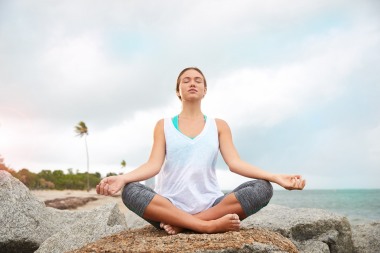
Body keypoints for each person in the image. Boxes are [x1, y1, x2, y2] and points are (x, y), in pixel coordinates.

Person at [96, 67, 306, 235]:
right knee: (131, 190)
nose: (192, 83)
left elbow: (235, 163)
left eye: (198, 80)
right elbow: (153, 165)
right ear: (178, 91)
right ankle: (206, 226)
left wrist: (275, 177)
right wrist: (123, 179)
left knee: (263, 188)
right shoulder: (164, 125)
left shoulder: (219, 125)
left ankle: (187, 224)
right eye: (186, 80)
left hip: (212, 204)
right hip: (169, 206)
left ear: (205, 90)